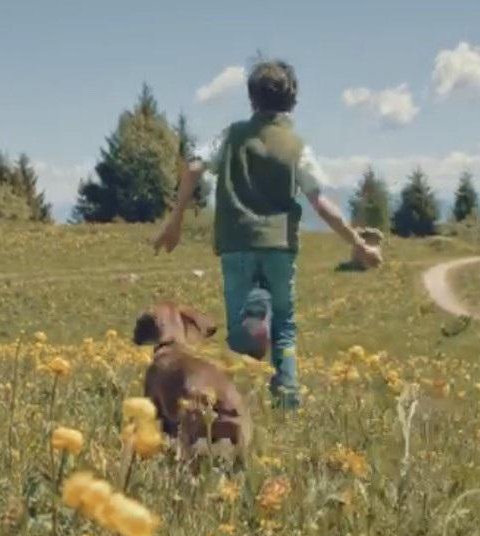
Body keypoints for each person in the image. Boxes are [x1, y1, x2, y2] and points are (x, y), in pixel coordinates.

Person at [153, 59, 381, 409]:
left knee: (241, 329)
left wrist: (176, 219)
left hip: (236, 243)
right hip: (279, 246)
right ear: (293, 101)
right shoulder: (296, 146)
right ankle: (287, 396)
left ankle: (241, 395)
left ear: (251, 98)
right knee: (285, 327)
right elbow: (320, 202)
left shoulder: (230, 136)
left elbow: (194, 167)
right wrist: (358, 244)